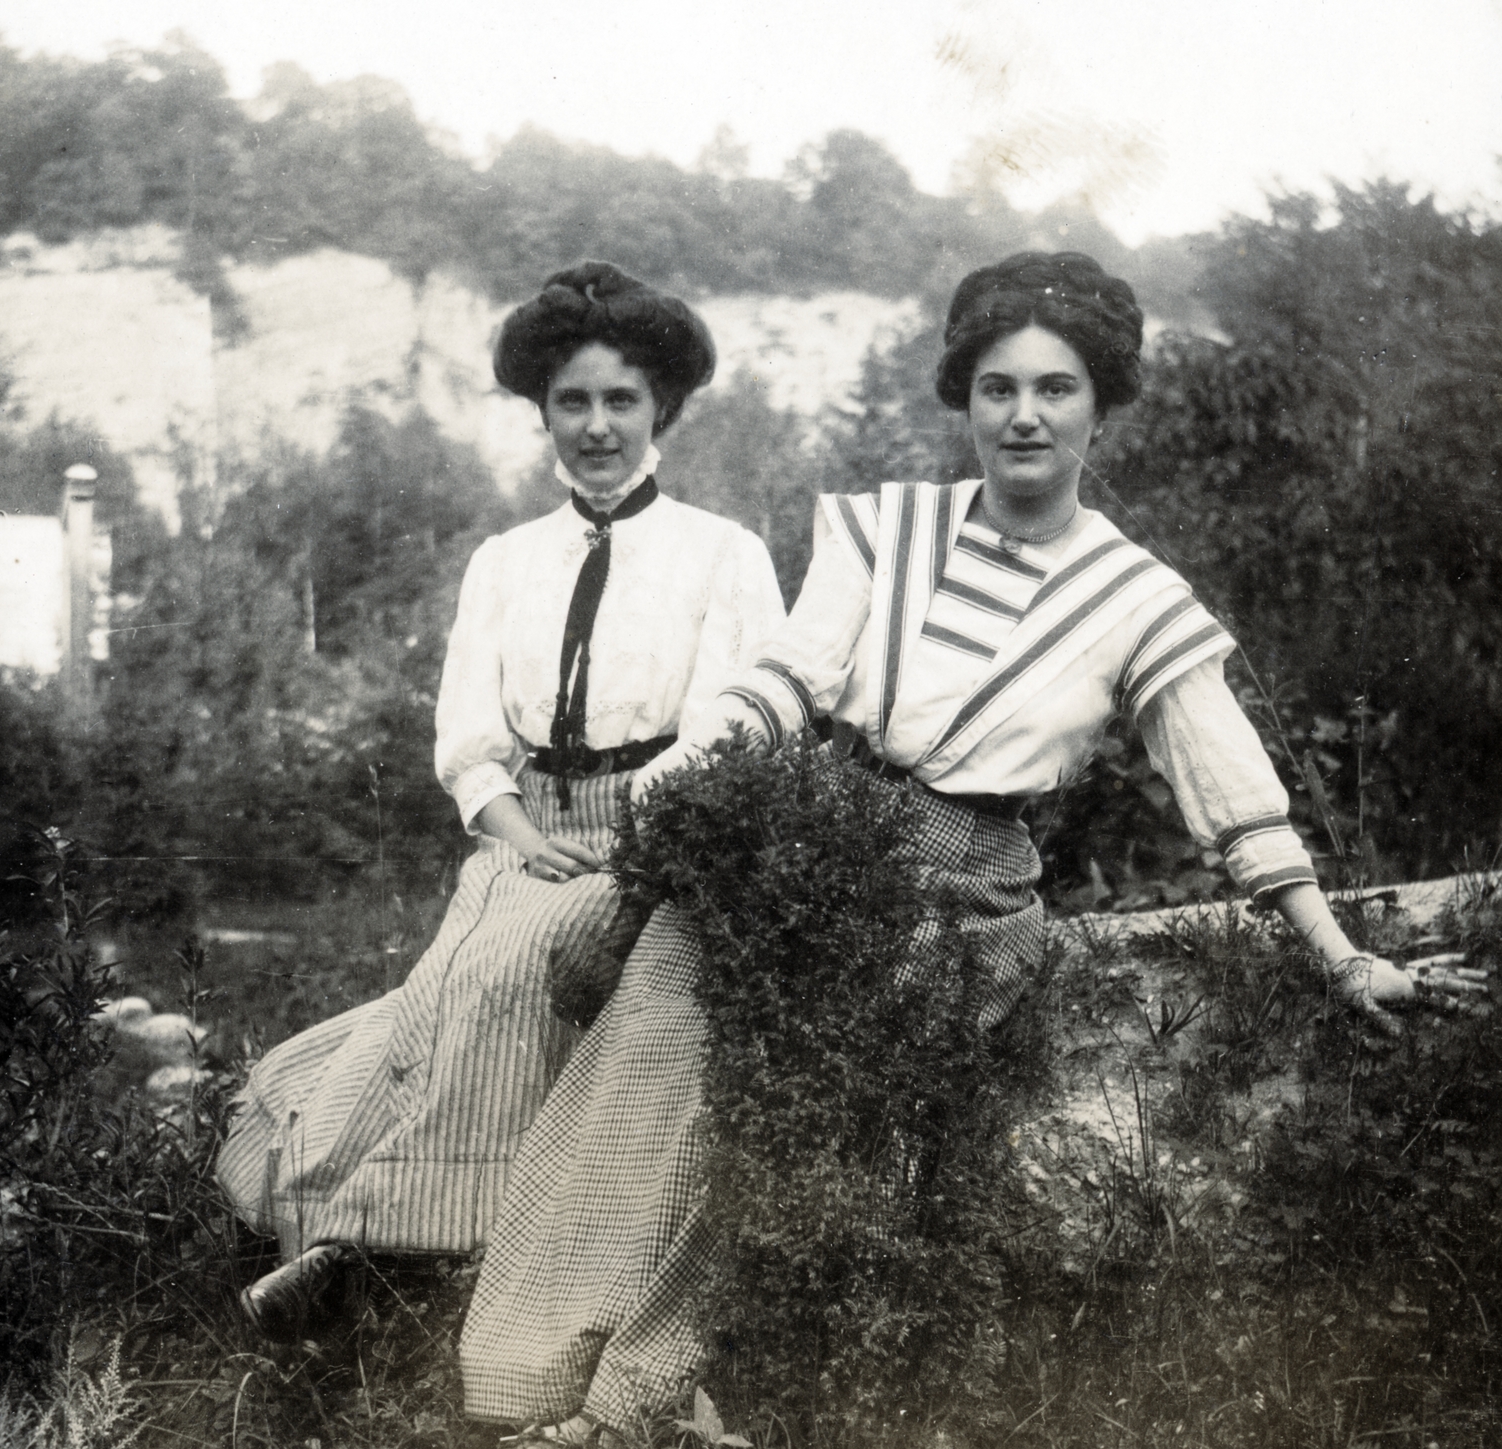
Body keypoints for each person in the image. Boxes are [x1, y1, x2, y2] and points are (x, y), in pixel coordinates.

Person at [458, 251, 1486, 1443]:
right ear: (965, 398)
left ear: (1101, 405)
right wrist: (682, 800)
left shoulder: (1135, 595)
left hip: (962, 887)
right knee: (639, 1011)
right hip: (812, 832)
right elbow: (784, 682)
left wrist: (1339, 952)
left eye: (1055, 388)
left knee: (809, 1079)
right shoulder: (881, 528)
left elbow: (1230, 791)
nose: (1024, 415)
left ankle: (634, 1404)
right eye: (997, 387)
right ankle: (531, 1378)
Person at [216, 261, 785, 1340]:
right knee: (427, 1005)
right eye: (572, 402)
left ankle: (404, 1247)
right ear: (542, 415)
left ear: (661, 408)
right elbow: (469, 742)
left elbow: (737, 720)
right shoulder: (504, 562)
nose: (598, 427)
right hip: (527, 833)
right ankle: (361, 1245)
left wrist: (632, 838)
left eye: (621, 400)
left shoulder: (723, 553)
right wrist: (521, 837)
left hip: (664, 839)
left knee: (508, 978)